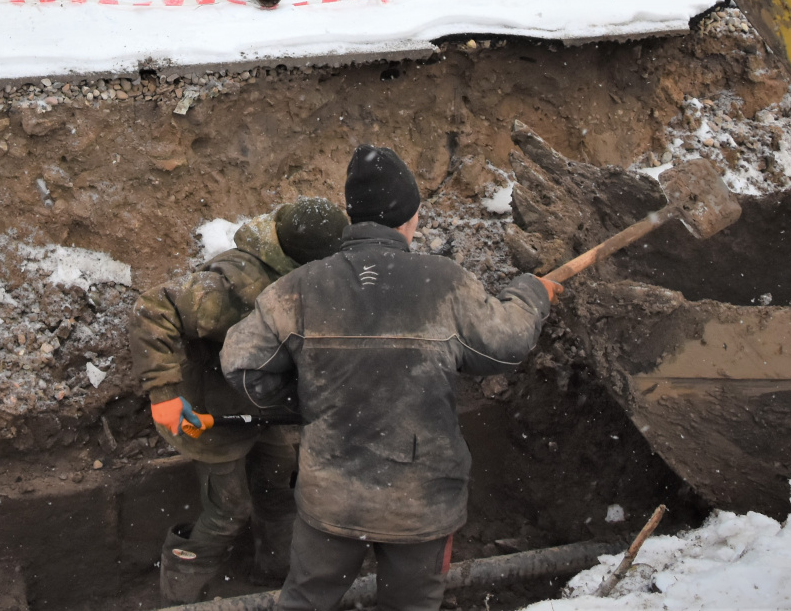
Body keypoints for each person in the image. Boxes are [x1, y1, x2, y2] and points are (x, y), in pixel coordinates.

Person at [221, 146, 559, 611]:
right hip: (418, 505)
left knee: (305, 600)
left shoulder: (300, 287)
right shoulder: (444, 283)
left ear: (352, 217)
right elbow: (506, 345)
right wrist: (530, 293)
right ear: (411, 217)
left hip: (331, 500)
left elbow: (242, 364)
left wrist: (306, 402)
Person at [129, 196, 351, 603]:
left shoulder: (309, 282)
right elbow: (154, 308)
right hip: (213, 411)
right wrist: (163, 393)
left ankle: (274, 580)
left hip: (265, 407)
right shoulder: (235, 288)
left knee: (280, 492)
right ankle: (181, 593)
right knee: (228, 510)